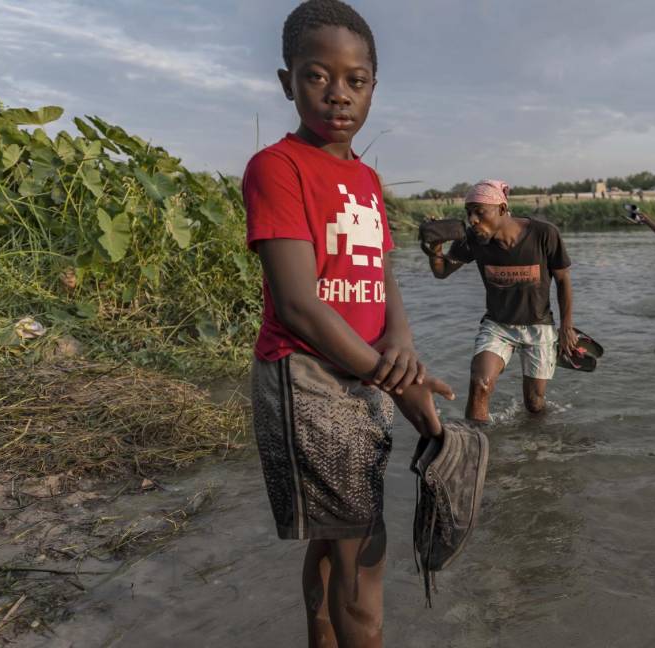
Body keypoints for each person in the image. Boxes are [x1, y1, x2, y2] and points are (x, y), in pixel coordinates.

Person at [243, 3, 456, 646]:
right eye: (317, 76)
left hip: (363, 373)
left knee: (338, 537)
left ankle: (319, 633)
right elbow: (300, 304)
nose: (338, 95)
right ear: (288, 82)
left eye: (355, 80)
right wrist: (396, 383)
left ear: (372, 85)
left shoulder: (364, 176)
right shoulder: (277, 168)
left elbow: (377, 269)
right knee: (365, 553)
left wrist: (403, 344)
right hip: (306, 379)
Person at [425, 180, 578, 422]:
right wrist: (434, 249)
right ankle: (476, 447)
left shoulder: (544, 234)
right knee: (480, 384)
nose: (473, 219)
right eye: (468, 213)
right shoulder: (473, 240)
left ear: (503, 209)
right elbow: (442, 271)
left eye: (479, 212)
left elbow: (563, 280)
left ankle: (540, 447)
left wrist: (567, 327)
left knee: (534, 404)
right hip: (498, 325)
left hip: (539, 325)